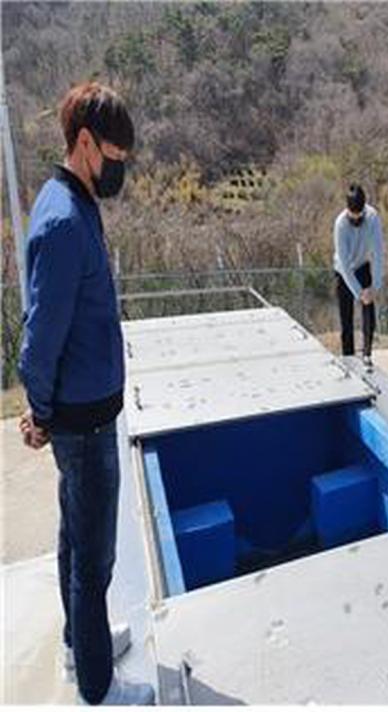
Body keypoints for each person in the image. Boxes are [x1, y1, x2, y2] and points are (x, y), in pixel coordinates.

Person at [18, 82, 155, 705]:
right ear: (83, 143)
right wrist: (40, 411)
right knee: (94, 558)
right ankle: (98, 690)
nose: (118, 168)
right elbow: (41, 334)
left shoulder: (73, 200)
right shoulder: (64, 222)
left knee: (77, 536)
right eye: (114, 156)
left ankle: (82, 643)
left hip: (85, 409)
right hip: (83, 421)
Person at [333, 183, 384, 371]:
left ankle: (367, 354)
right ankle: (348, 358)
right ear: (347, 208)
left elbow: (378, 253)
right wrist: (358, 292)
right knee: (346, 318)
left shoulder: (372, 217)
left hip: (362, 265)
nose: (356, 219)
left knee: (369, 311)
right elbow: (345, 265)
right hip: (343, 271)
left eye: (359, 215)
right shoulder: (340, 224)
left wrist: (374, 287)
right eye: (353, 216)